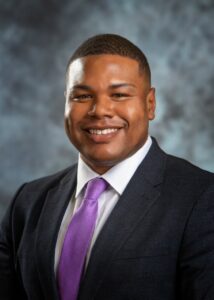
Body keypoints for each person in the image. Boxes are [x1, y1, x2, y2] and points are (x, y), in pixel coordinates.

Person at [0, 34, 214, 300]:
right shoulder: (28, 202)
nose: (100, 110)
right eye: (82, 96)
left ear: (150, 104)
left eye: (119, 94)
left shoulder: (202, 198)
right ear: (65, 102)